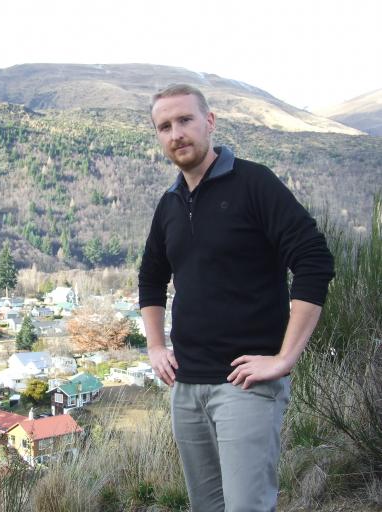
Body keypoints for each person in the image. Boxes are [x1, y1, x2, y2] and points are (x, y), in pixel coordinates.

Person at [138, 84, 334, 511]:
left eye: (185, 120)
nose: (176, 134)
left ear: (210, 122)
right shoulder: (169, 204)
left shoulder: (253, 183)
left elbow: (314, 259)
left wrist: (283, 359)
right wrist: (155, 346)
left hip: (245, 385)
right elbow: (150, 279)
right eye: (164, 126)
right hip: (187, 387)